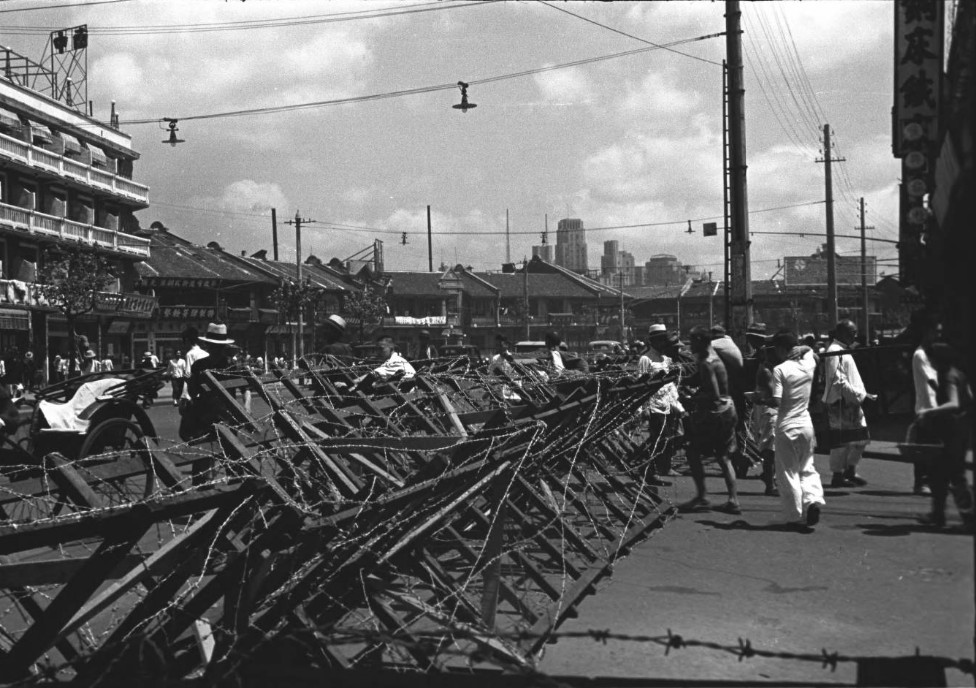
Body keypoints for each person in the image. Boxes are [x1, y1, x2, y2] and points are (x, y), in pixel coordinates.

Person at [766, 329, 825, 529]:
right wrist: (804, 346)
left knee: (788, 473)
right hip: (806, 424)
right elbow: (811, 351)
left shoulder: (780, 369)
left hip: (786, 426)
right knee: (807, 467)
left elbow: (776, 400)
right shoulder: (809, 362)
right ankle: (812, 500)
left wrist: (759, 398)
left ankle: (795, 516)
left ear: (782, 349)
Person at [678, 326, 741, 514]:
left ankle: (702, 496)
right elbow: (699, 379)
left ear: (699, 341)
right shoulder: (713, 357)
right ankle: (733, 500)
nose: (690, 345)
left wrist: (689, 399)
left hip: (716, 413)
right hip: (728, 408)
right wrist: (681, 380)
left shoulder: (706, 361)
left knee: (692, 450)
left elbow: (713, 394)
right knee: (723, 456)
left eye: (692, 340)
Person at [915, 342, 973, 529]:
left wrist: (929, 413)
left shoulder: (947, 375)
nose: (930, 362)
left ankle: (963, 517)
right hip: (961, 432)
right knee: (947, 475)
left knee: (949, 475)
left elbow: (953, 403)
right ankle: (944, 515)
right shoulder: (959, 373)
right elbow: (969, 398)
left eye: (931, 359)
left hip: (951, 434)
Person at [822, 320, 877, 488]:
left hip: (852, 402)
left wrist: (861, 395)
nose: (854, 335)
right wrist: (860, 395)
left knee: (860, 439)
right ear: (841, 333)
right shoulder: (833, 351)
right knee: (842, 442)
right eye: (851, 332)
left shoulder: (843, 350)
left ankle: (850, 470)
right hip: (841, 403)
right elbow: (838, 381)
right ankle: (838, 474)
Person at [636, 324, 685, 485]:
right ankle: (648, 470)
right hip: (654, 405)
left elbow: (670, 386)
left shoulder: (666, 359)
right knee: (659, 439)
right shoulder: (645, 359)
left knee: (667, 439)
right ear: (652, 341)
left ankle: (651, 468)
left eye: (663, 340)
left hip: (668, 404)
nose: (662, 343)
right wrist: (643, 407)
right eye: (659, 340)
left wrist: (678, 406)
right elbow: (641, 385)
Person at [179, 322, 234, 443]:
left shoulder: (200, 365)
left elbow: (193, 392)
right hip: (226, 414)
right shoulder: (231, 366)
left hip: (211, 415)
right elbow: (246, 389)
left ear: (207, 344)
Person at [744, 323, 778, 496]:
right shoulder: (765, 370)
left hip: (766, 409)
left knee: (771, 448)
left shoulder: (767, 367)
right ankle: (770, 484)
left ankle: (770, 478)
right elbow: (772, 394)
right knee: (770, 449)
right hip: (768, 409)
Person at [910, 310, 939, 495]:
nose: (938, 335)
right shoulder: (920, 355)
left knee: (935, 447)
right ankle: (921, 483)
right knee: (923, 449)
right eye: (935, 332)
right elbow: (932, 381)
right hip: (926, 409)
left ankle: (934, 480)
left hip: (937, 408)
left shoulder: (933, 354)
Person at [180, 326, 209, 409]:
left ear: (187, 340)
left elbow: (188, 375)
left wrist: (184, 394)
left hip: (197, 390)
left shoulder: (189, 354)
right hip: (208, 387)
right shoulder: (205, 353)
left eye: (184, 341)